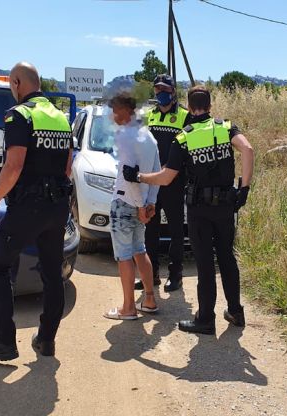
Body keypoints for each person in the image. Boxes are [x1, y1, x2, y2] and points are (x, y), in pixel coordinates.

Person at [122, 85, 254, 335]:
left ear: (190, 107)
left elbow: (166, 177)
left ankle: (205, 319)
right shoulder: (225, 128)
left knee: (205, 263)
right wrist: (244, 189)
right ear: (210, 106)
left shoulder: (184, 137)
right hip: (226, 205)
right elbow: (248, 149)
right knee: (226, 257)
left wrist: (137, 176)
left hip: (199, 210)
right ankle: (235, 311)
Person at [0, 62, 73, 362]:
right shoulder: (60, 117)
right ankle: (46, 340)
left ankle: (4, 342)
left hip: (28, 207)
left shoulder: (19, 115)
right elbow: (68, 167)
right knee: (52, 273)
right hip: (57, 208)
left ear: (17, 83)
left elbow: (13, 166)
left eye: (10, 84)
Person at [103, 91, 161, 320]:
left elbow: (130, 176)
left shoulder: (126, 137)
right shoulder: (149, 137)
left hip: (125, 201)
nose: (113, 116)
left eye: (115, 111)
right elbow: (155, 175)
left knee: (125, 256)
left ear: (126, 110)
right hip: (142, 203)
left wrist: (139, 205)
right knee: (140, 250)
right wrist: (150, 203)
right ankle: (149, 299)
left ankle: (128, 308)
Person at [135, 74, 191, 293]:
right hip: (151, 183)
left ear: (173, 91)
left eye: (165, 90)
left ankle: (175, 275)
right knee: (150, 229)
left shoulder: (185, 117)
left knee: (177, 230)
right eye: (157, 90)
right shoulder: (149, 116)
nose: (161, 94)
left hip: (174, 183)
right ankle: (152, 274)